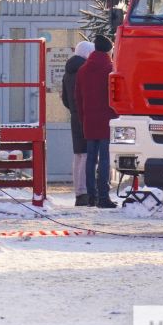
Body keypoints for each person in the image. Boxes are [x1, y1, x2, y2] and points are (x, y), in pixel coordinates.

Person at [76, 34, 118, 209]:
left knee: (90, 159)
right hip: (107, 121)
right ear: (108, 51)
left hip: (89, 120)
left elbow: (78, 98)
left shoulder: (83, 70)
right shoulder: (111, 69)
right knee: (105, 160)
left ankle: (91, 196)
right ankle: (103, 197)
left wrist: (83, 118)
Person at [62, 40, 95, 205]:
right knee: (88, 154)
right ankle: (85, 192)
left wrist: (74, 110)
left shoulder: (68, 71)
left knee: (78, 154)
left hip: (75, 116)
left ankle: (79, 191)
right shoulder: (85, 70)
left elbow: (65, 100)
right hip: (86, 115)